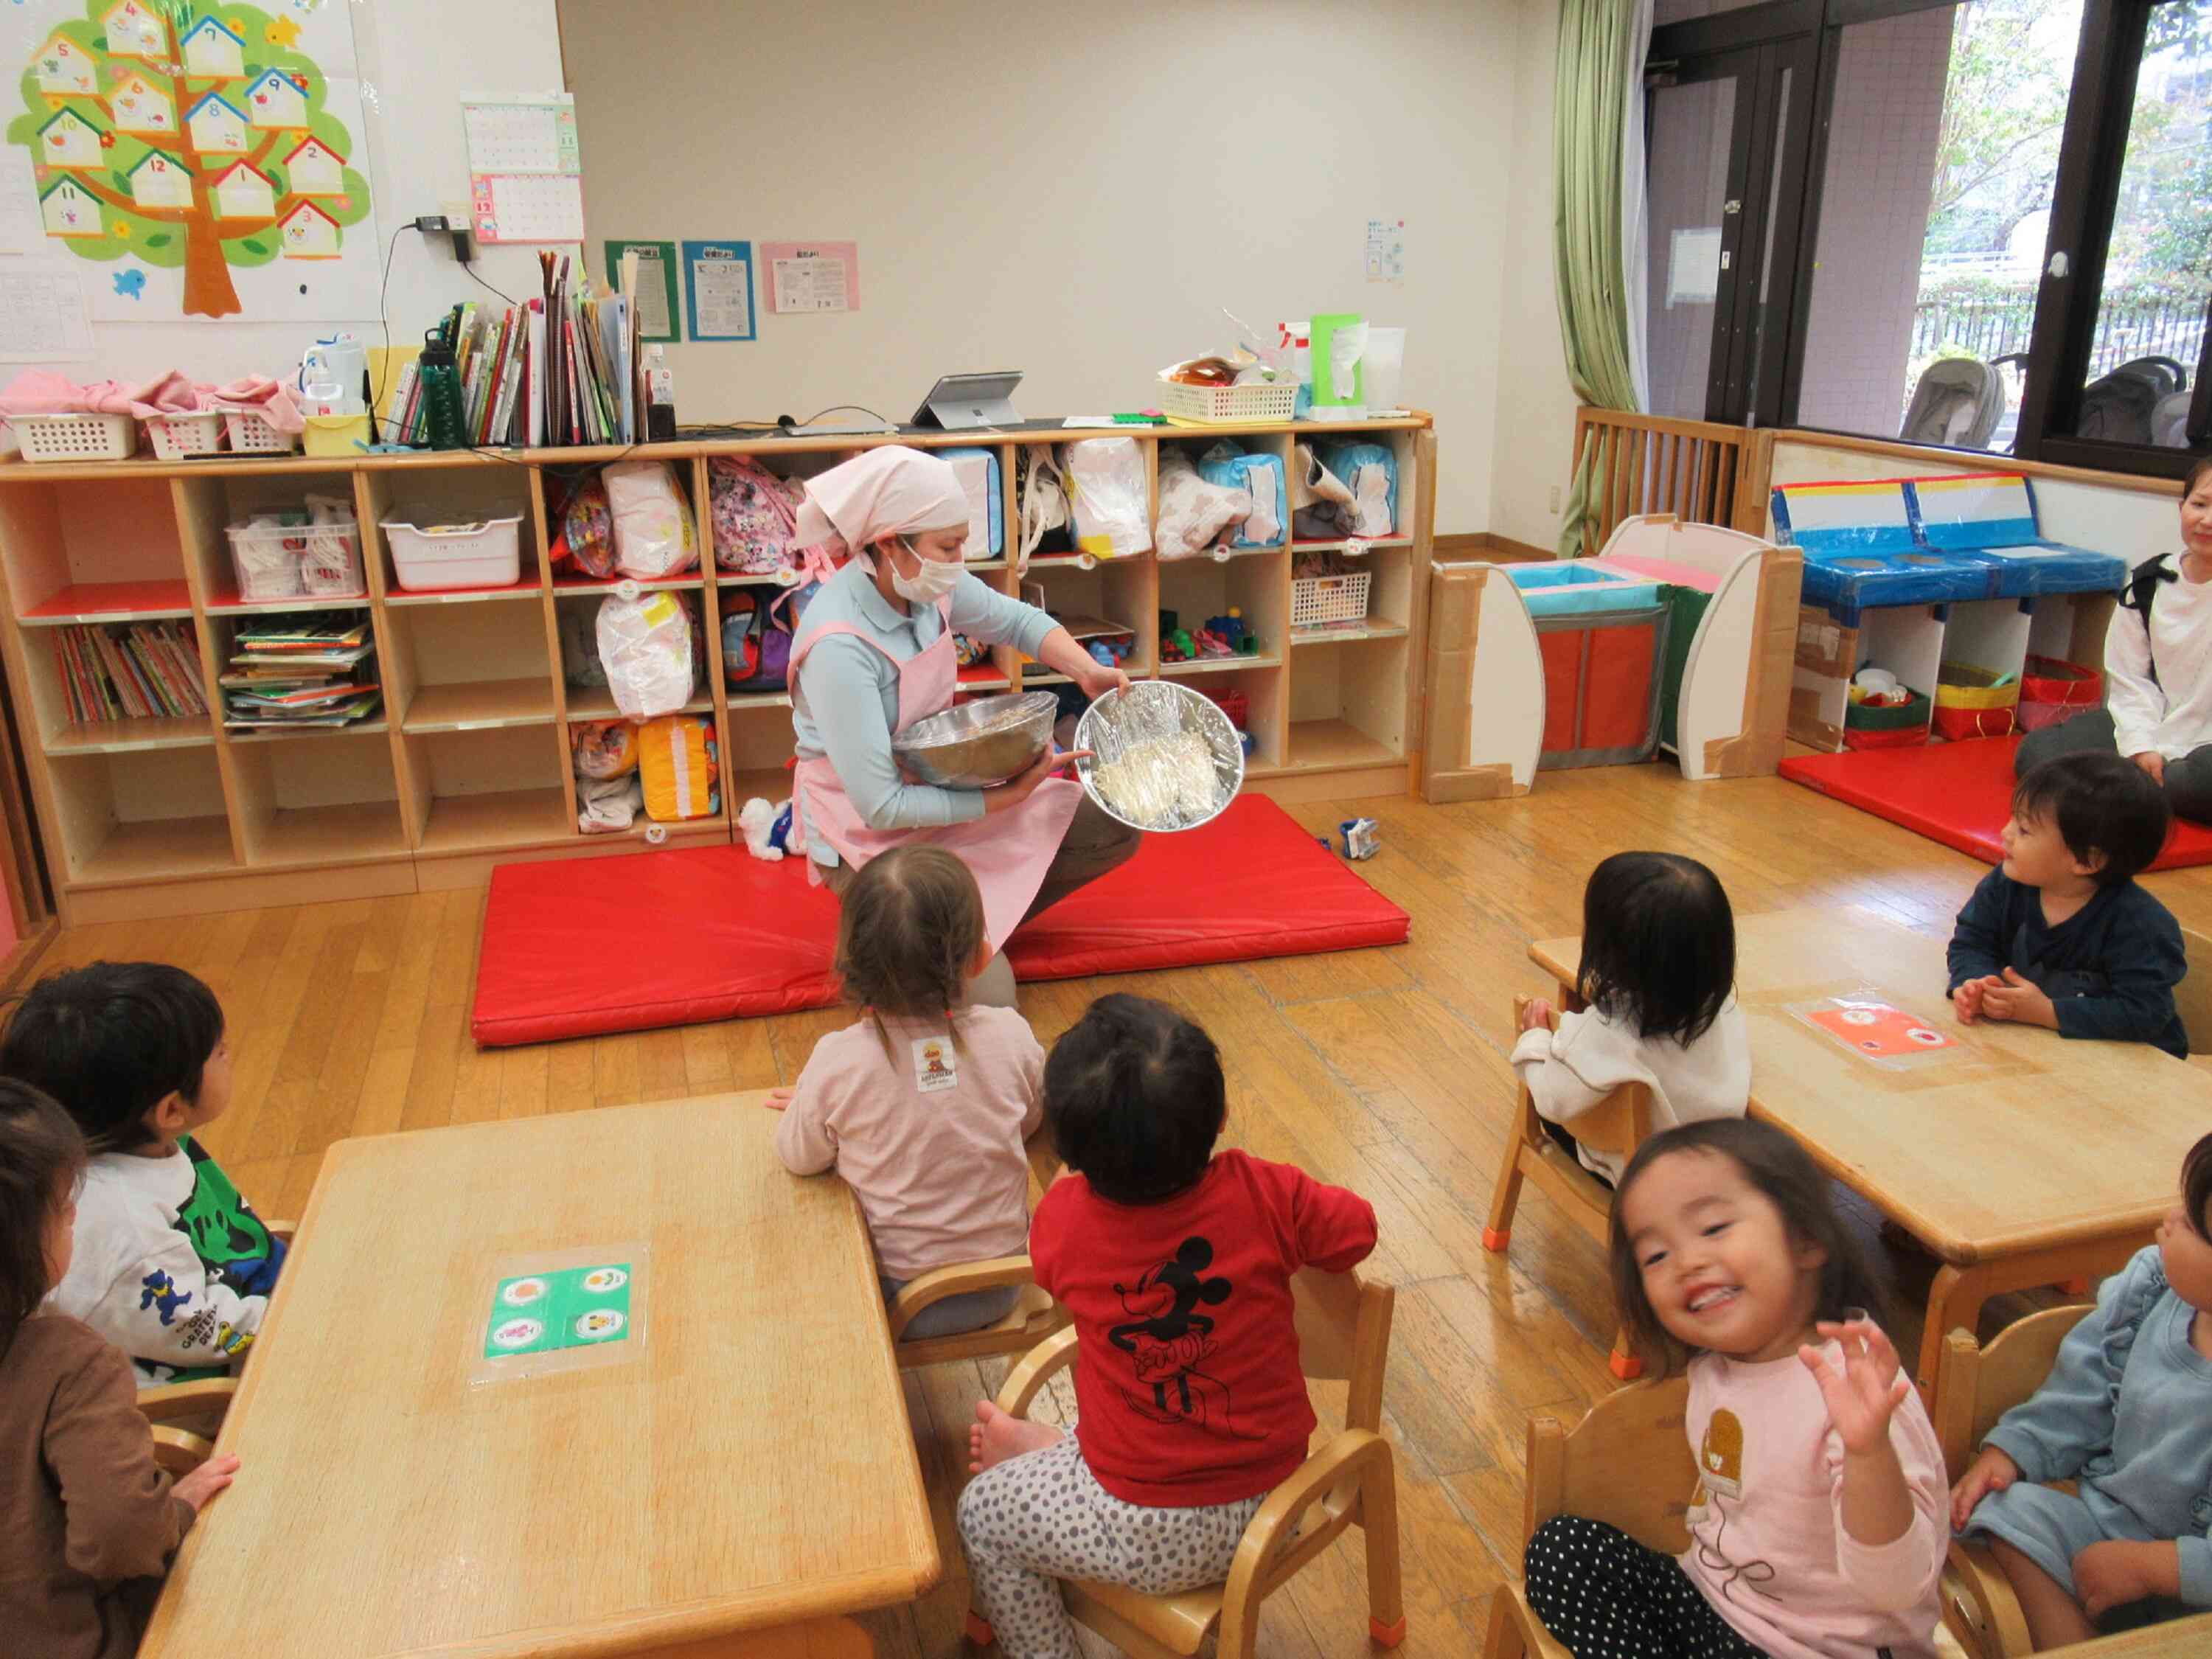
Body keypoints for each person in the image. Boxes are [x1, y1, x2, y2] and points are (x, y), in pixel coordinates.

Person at [956, 995, 1377, 1659]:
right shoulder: (1267, 1193)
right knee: (1145, 1397)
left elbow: (1062, 1266)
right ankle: (1050, 1448)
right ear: (1221, 1118)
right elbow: (1358, 1230)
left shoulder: (1063, 1223)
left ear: (1068, 1151)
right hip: (1280, 1499)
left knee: (980, 1515)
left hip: (1142, 1527)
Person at [1523, 1119, 1948, 1659]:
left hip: (1824, 1649)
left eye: (1715, 1227)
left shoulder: (1856, 1390)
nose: (1688, 1262)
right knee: (1562, 1551)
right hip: (1715, 1605)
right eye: (1655, 1256)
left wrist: (1868, 1454)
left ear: (1805, 1239)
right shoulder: (1715, 1367)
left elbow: (1898, 1587)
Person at [787, 445, 1141, 1009]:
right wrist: (1004, 799)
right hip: (868, 833)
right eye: (947, 547)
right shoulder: (839, 647)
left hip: (934, 789)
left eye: (961, 543)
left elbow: (1014, 620)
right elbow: (881, 807)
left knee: (1114, 827)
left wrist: (1085, 669)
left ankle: (960, 931)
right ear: (888, 544)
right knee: (992, 1003)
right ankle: (901, 938)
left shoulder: (926, 583)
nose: (958, 560)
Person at [0, 1079, 239, 1658]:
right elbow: (121, 1535)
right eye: (63, 1208)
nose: (78, 1213)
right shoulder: (65, 1361)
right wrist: (173, 1510)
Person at [771, 846, 1044, 1340]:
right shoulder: (1013, 1035)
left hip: (896, 1298)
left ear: (850, 966)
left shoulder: (840, 1060)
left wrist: (820, 1100)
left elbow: (797, 1156)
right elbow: (1029, 1122)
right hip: (1002, 1281)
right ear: (981, 958)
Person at [1952, 1129, 2212, 1647]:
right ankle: (2072, 1646)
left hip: (2197, 1575)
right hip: (2107, 1520)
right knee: (2009, 1511)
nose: (2170, 1219)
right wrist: (2017, 1449)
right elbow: (2084, 1388)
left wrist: (2161, 1568)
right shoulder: (2153, 1291)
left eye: (2194, 1224)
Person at [0, 962, 283, 1382]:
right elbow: (209, 1333)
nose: (229, 1052)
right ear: (171, 1109)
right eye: (220, 1051)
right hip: (220, 1386)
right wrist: (302, 1312)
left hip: (254, 1307)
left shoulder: (153, 1139)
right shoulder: (124, 1232)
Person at [1512, 852, 1750, 1186]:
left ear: (1608, 950)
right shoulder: (1724, 1010)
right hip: (1718, 1167)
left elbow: (1552, 1101)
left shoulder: (1607, 1034)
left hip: (1644, 1181)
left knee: (1551, 1113)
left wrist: (1535, 1040)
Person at [1947, 751, 2185, 1056]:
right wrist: (1975, 983)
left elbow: (2146, 1013)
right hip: (2040, 1047)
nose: (2005, 834)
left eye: (2024, 829)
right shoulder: (2008, 883)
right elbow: (1972, 942)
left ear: (2087, 860)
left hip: (2124, 1068)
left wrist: (2049, 1012)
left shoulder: (2141, 925)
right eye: (2012, 820)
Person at [2016, 454, 2212, 821]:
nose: (2207, 520)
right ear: (2181, 507)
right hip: (2152, 721)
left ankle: (2121, 789)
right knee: (2038, 754)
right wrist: (2141, 745)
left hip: (2207, 747)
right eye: (2200, 504)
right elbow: (2129, 678)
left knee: (2200, 783)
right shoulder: (2149, 582)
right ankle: (2141, 785)